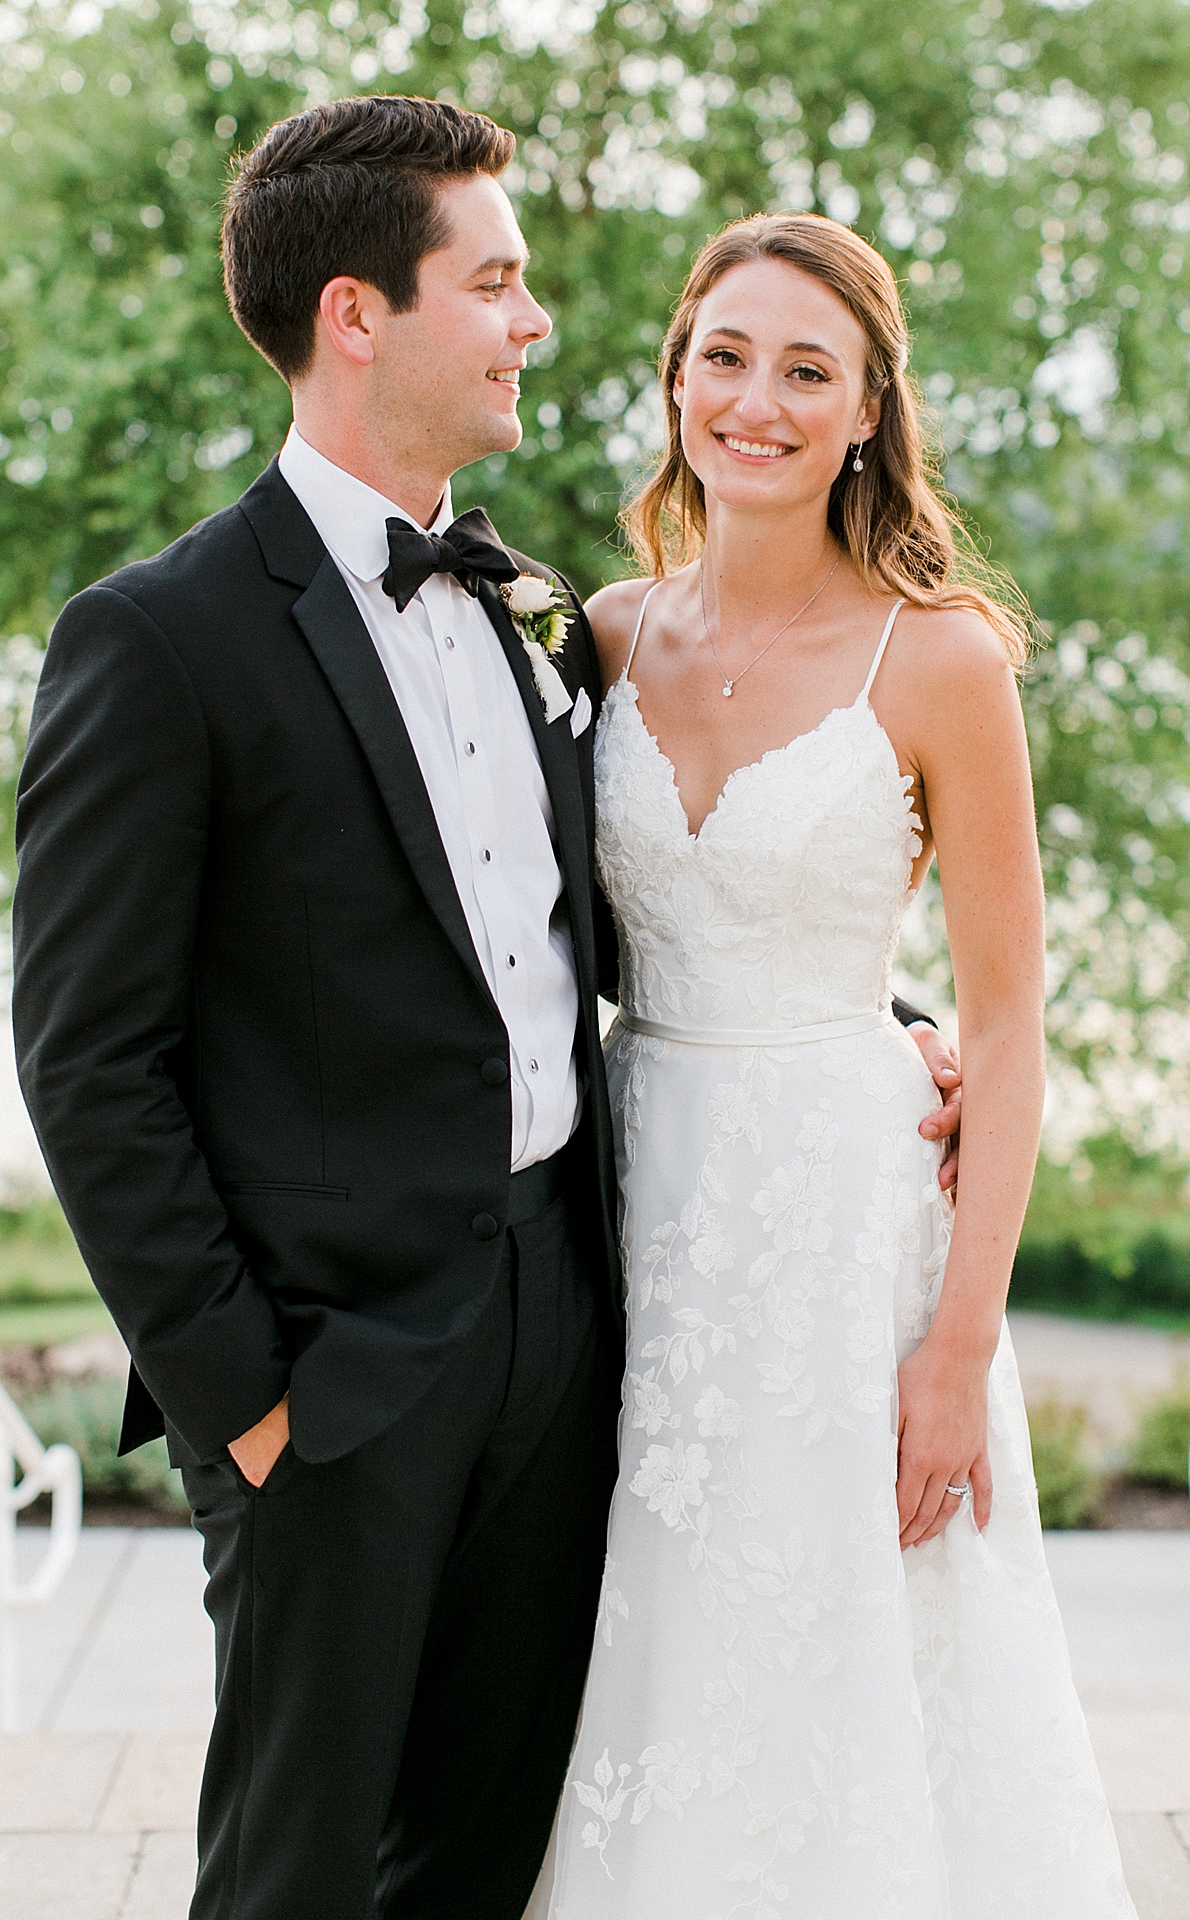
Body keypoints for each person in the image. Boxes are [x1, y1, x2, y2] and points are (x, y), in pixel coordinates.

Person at [11, 102, 959, 1920]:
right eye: (500, 281)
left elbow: (618, 918)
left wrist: (877, 1018)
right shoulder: (158, 639)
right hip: (330, 1380)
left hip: (569, 1327)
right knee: (295, 1874)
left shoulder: (532, 605)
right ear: (359, 314)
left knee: (486, 1853)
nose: (536, 322)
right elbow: (87, 1062)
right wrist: (245, 1406)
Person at [537, 214, 1135, 1919]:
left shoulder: (940, 657)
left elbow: (1009, 1023)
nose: (761, 401)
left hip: (850, 1240)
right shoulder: (605, 638)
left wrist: (959, 1349)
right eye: (725, 357)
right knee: (640, 1645)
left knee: (853, 1664)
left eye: (810, 370)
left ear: (869, 409)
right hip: (635, 1202)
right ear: (673, 383)